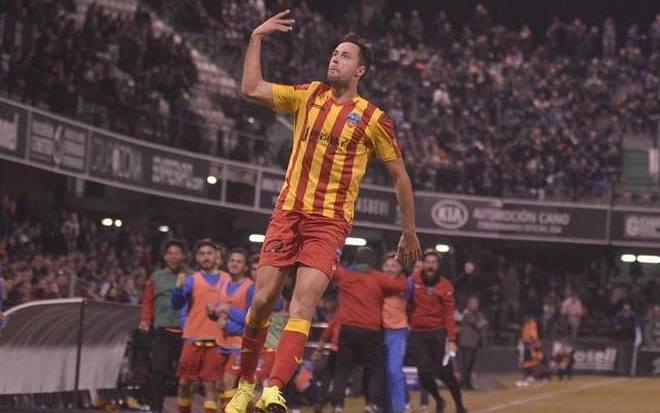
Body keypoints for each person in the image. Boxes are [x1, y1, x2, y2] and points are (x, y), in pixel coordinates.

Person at [226, 9, 421, 413]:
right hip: (287, 212)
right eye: (334, 53)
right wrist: (257, 37)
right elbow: (250, 88)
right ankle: (246, 384)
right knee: (262, 301)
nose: (335, 58)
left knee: (303, 304)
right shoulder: (308, 94)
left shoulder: (374, 119)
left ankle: (274, 389)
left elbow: (401, 177)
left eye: (344, 55)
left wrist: (409, 230)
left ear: (360, 70)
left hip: (329, 222)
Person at [329, 247, 407, 413]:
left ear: (356, 260)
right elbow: (400, 286)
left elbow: (331, 266)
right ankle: (372, 404)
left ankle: (337, 406)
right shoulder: (378, 278)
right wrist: (399, 272)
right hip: (371, 331)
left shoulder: (345, 276)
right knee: (374, 370)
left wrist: (334, 251)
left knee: (342, 370)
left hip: (348, 330)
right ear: (373, 262)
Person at [171, 239, 228, 413]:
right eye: (202, 254)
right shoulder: (191, 280)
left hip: (217, 340)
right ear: (197, 257)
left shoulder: (227, 279)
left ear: (216, 256)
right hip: (192, 337)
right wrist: (178, 288)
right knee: (183, 384)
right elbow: (176, 304)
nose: (206, 257)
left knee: (211, 388)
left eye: (209, 253)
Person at [407, 250, 467, 413]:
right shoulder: (413, 281)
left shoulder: (445, 285)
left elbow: (449, 314)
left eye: (434, 263)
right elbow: (404, 299)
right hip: (418, 334)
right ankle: (439, 400)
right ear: (423, 265)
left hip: (438, 333)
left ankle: (460, 406)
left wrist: (452, 339)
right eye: (428, 262)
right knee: (423, 372)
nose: (430, 266)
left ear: (438, 266)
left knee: (446, 372)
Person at [139, 240, 188, 413]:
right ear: (165, 256)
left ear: (182, 256)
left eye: (177, 253)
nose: (173, 256)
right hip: (162, 332)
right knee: (158, 372)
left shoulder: (191, 276)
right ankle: (155, 409)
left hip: (186, 334)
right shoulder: (156, 277)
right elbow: (147, 301)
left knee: (185, 377)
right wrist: (145, 320)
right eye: (170, 253)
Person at [208, 248, 255, 411]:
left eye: (239, 261)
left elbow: (251, 319)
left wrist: (227, 313)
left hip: (238, 344)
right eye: (232, 261)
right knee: (218, 385)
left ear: (245, 266)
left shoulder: (250, 287)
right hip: (221, 341)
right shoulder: (224, 283)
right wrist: (212, 312)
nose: (234, 264)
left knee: (229, 383)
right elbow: (219, 310)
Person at [381, 252, 409, 413]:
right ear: (382, 267)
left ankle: (400, 408)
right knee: (383, 374)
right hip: (380, 332)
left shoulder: (405, 284)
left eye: (394, 266)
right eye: (388, 265)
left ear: (400, 268)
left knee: (395, 371)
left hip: (398, 333)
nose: (390, 268)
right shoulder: (377, 282)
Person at [458, 296, 487, 390]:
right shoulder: (467, 314)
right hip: (466, 343)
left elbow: (485, 323)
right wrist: (481, 323)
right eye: (473, 303)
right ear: (468, 304)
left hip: (474, 343)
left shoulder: (478, 314)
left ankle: (468, 384)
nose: (475, 305)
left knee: (470, 365)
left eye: (476, 303)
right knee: (465, 364)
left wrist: (482, 323)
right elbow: (477, 324)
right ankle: (463, 384)